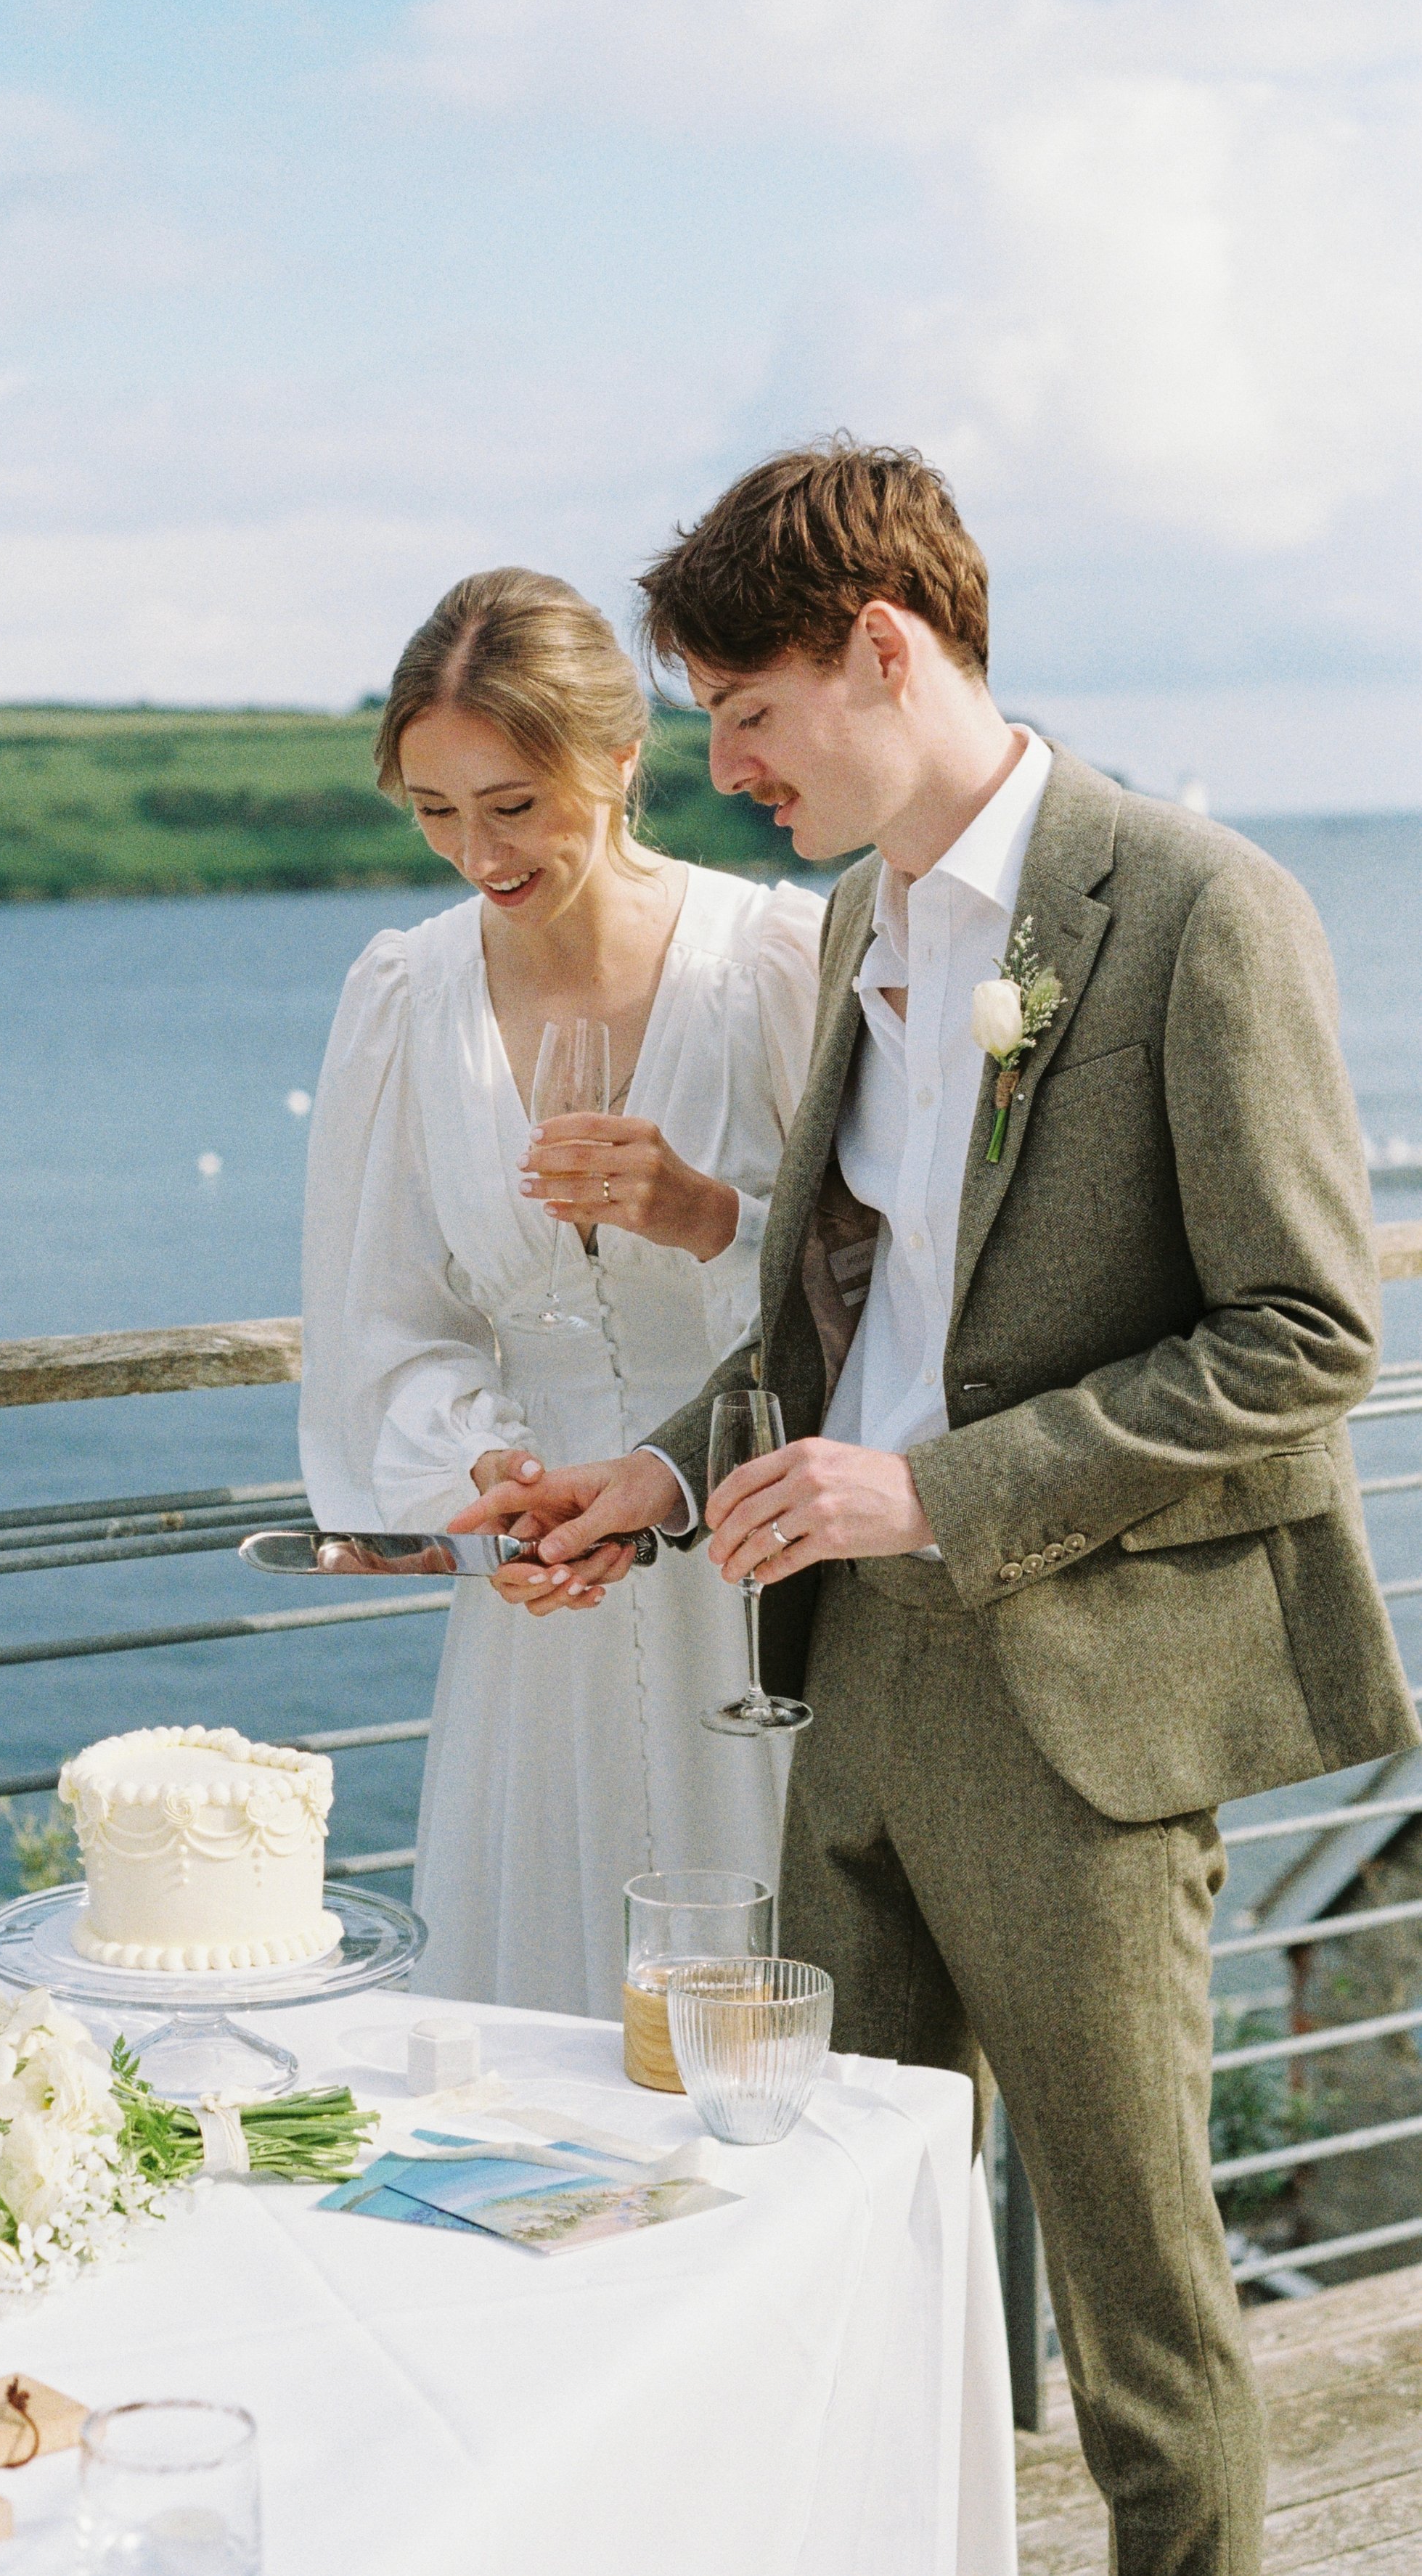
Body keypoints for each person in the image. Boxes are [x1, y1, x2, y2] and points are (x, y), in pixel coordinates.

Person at [450, 446, 1419, 2573]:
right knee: (844, 2265)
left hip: (1082, 1717)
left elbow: (1296, 1336)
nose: (723, 765)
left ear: (882, 648)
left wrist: (935, 1488)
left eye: (749, 709)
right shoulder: (864, 920)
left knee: (1142, 2321)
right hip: (853, 1684)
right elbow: (842, 1321)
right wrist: (662, 1470)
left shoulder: (1192, 907)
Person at [298, 566, 826, 2017]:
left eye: (512, 802)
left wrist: (702, 1213)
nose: (477, 851)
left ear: (614, 761)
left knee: (774, 2028)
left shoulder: (773, 965)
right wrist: (488, 1469)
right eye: (434, 808)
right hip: (542, 1618)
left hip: (762, 1580)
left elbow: (877, 1280)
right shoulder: (405, 999)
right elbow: (384, 1321)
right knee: (529, 2029)